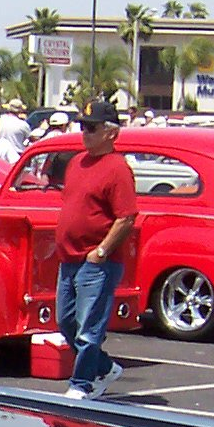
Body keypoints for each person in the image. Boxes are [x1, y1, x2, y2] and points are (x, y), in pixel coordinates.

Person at [54, 99, 138, 398]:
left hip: (97, 261)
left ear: (111, 133)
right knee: (65, 322)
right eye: (83, 127)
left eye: (91, 128)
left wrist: (101, 251)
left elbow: (126, 217)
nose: (85, 134)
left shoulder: (117, 168)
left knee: (89, 328)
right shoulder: (77, 162)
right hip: (69, 258)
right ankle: (104, 367)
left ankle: (82, 383)